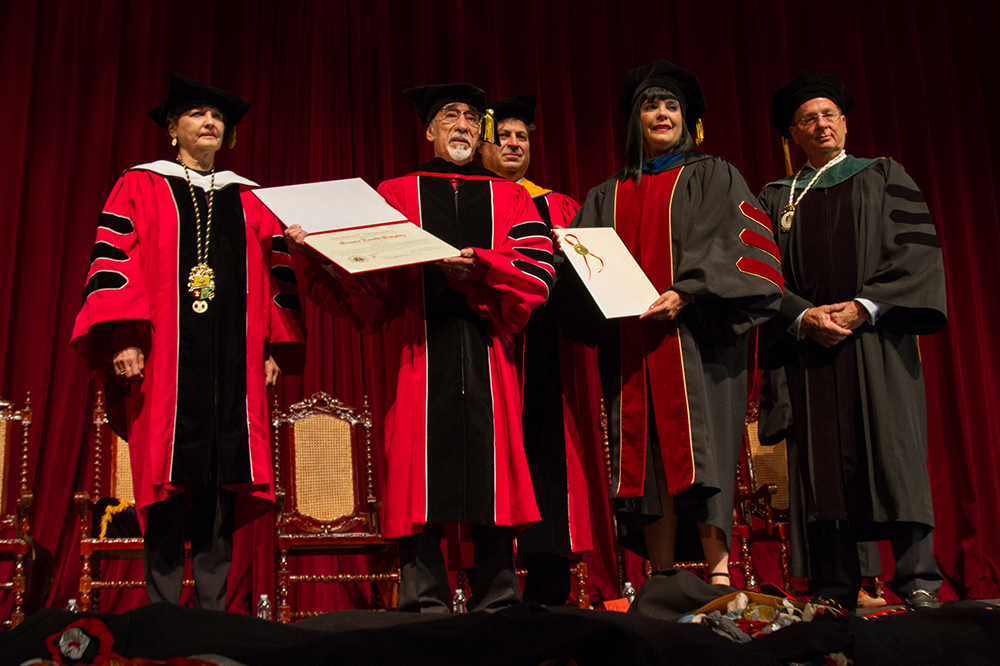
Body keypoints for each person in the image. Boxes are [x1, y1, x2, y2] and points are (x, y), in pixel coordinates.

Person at [286, 83, 553, 612]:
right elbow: (369, 281)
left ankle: (498, 601)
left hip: (487, 355)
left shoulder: (511, 196)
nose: (462, 125)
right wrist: (314, 250)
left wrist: (484, 268)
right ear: (429, 130)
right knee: (417, 470)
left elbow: (537, 272)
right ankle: (424, 603)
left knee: (493, 470)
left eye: (472, 119)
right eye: (450, 116)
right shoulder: (396, 193)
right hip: (417, 353)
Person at [72, 73, 305, 609]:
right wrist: (123, 338)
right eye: (197, 114)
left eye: (218, 118)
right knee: (165, 480)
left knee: (223, 481)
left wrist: (272, 346)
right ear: (172, 129)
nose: (210, 123)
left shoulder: (251, 199)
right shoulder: (139, 184)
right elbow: (116, 262)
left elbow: (275, 274)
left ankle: (214, 613)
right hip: (165, 355)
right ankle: (160, 612)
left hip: (236, 361)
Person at [551, 60, 783, 587]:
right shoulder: (606, 194)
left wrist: (687, 291)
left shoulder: (714, 175)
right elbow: (582, 268)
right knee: (647, 460)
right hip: (633, 348)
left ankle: (721, 576)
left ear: (687, 120)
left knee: (704, 453)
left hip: (699, 342)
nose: (660, 113)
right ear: (635, 121)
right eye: (650, 106)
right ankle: (660, 579)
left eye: (670, 105)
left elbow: (742, 248)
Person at [758, 71, 947, 612]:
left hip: (877, 344)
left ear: (844, 122)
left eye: (828, 115)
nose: (820, 125)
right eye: (808, 119)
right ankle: (834, 586)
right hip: (808, 351)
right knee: (821, 472)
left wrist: (864, 307)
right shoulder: (774, 197)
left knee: (894, 456)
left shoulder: (884, 176)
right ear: (792, 133)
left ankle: (917, 580)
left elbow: (914, 255)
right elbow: (758, 275)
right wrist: (801, 316)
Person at [479, 95, 600, 604]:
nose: (512, 144)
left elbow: (593, 281)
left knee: (547, 457)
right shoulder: (470, 199)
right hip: (486, 344)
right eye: (502, 136)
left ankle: (549, 585)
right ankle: (486, 581)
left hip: (545, 350)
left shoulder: (559, 204)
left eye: (521, 137)